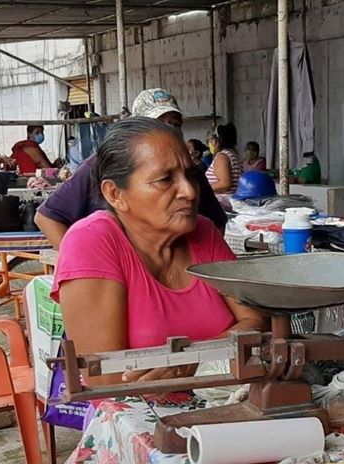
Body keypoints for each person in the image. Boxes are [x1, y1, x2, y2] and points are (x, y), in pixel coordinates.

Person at [52, 117, 265, 386]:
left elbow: (255, 321)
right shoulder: (91, 241)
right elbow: (104, 376)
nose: (189, 191)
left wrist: (188, 360)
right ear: (115, 194)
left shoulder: (204, 231)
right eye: (165, 179)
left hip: (221, 399)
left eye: (190, 175)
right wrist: (209, 356)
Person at [34, 88, 228, 248]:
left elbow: (215, 223)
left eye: (174, 124)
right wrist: (79, 263)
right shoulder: (101, 165)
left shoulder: (187, 168)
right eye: (158, 124)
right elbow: (47, 217)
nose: (188, 191)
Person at [204, 123, 242, 195]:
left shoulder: (222, 157)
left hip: (222, 201)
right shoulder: (233, 154)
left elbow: (225, 183)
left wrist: (203, 190)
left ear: (217, 141)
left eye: (210, 140)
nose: (209, 144)